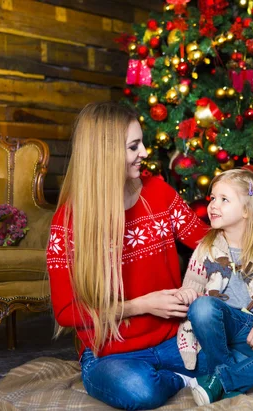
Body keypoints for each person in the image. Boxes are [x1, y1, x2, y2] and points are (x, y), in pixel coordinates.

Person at [46, 102, 210, 410]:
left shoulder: (159, 193)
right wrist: (142, 305)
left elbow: (206, 242)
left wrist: (243, 222)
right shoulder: (69, 222)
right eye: (134, 146)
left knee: (241, 351)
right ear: (105, 154)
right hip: (110, 353)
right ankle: (186, 379)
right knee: (138, 390)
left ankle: (184, 372)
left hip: (175, 341)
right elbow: (67, 312)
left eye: (142, 143)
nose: (145, 152)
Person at [174, 168, 253, 405]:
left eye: (224, 199)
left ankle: (220, 381)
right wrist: (187, 294)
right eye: (212, 198)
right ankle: (235, 375)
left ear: (246, 210)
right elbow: (190, 286)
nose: (213, 205)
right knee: (202, 308)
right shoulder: (207, 247)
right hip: (217, 331)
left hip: (251, 330)